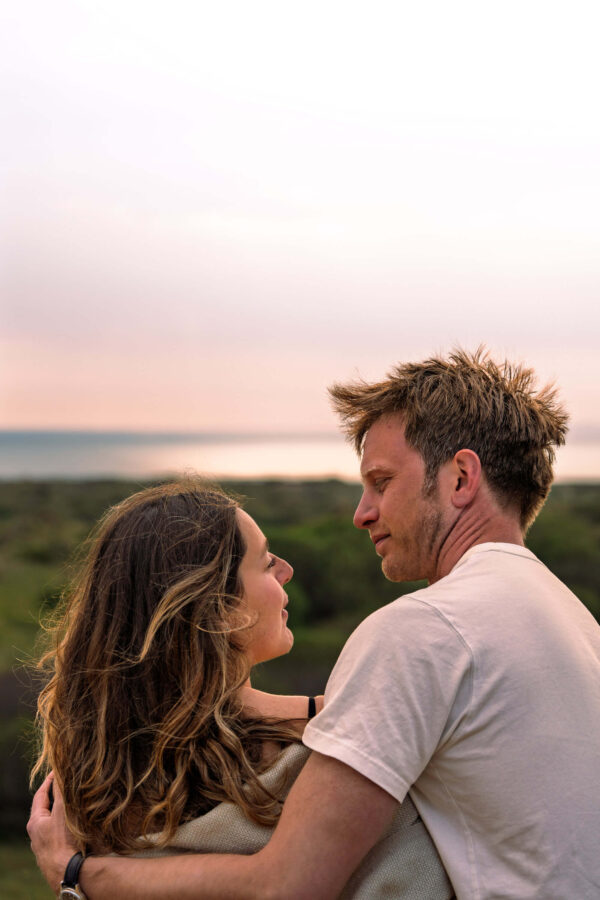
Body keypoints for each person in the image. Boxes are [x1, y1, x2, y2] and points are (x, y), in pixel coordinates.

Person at [29, 349, 600, 899]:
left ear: (460, 478)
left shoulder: (425, 629)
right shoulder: (573, 625)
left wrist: (76, 875)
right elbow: (360, 710)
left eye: (381, 481)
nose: (361, 512)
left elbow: (289, 885)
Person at [28, 479, 452, 898]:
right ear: (219, 610)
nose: (287, 570)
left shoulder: (93, 788)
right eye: (267, 562)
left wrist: (75, 878)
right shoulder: (345, 732)